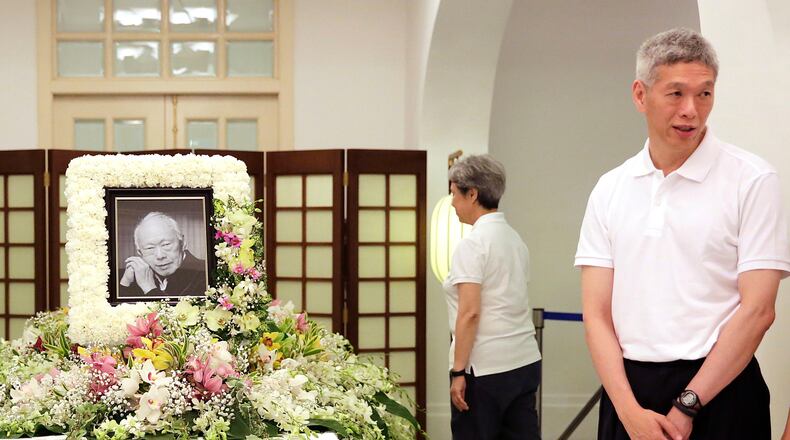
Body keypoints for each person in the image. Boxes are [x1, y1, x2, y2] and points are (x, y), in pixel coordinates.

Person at [575, 28, 790, 440]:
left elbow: (759, 310)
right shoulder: (610, 188)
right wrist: (628, 411)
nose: (691, 109)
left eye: (704, 94)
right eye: (676, 94)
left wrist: (687, 405)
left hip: (722, 390)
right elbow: (596, 315)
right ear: (640, 95)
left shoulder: (752, 179)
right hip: (630, 394)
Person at [443, 154, 542, 440]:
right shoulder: (515, 240)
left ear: (472, 193)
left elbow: (470, 312)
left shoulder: (473, 245)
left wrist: (458, 372)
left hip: (485, 368)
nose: (452, 203)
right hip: (524, 360)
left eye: (454, 194)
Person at [119, 211, 207, 298]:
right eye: (150, 248)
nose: (160, 256)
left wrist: (150, 289)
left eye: (166, 245)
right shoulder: (132, 278)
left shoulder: (205, 273)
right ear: (140, 253)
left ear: (183, 243)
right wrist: (125, 283)